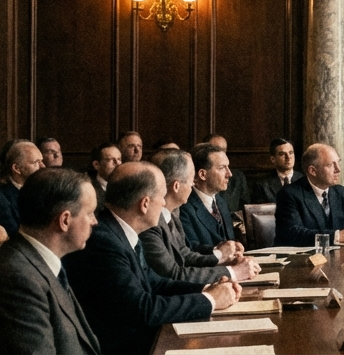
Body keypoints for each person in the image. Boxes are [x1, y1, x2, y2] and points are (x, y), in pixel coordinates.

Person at [64, 162, 239, 354]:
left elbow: (157, 284)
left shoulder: (121, 232)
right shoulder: (104, 241)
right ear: (145, 203)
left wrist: (208, 289)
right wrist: (210, 300)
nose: (164, 203)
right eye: (161, 197)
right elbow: (142, 309)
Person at [0, 167, 101, 353]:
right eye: (90, 213)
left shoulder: (40, 260)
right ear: (64, 220)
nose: (95, 221)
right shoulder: (18, 277)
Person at [141, 150, 260, 284]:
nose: (193, 184)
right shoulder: (150, 223)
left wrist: (223, 259)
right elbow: (173, 273)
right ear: (176, 186)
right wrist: (233, 272)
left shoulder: (172, 214)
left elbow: (184, 254)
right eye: (191, 180)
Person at [274, 143, 344, 246]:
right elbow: (293, 234)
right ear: (313, 171)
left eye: (338, 163)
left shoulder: (340, 192)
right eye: (330, 165)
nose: (338, 169)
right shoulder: (289, 194)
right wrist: (338, 236)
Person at [179, 143, 240, 255]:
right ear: (202, 174)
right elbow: (190, 250)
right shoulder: (184, 207)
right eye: (222, 168)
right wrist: (219, 251)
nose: (229, 174)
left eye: (228, 167)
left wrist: (235, 246)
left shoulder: (221, 203)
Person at [0, 140, 42, 236]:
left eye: (42, 161)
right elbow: (15, 235)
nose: (43, 166)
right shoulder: (3, 199)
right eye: (36, 162)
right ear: (17, 169)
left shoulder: (41, 190)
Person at [249, 137, 301, 204]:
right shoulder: (262, 186)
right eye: (282, 154)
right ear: (273, 159)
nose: (288, 157)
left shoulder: (305, 181)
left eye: (291, 153)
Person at [89, 143, 121, 210]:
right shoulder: (89, 190)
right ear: (96, 165)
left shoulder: (127, 185)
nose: (117, 164)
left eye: (119, 159)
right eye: (111, 160)